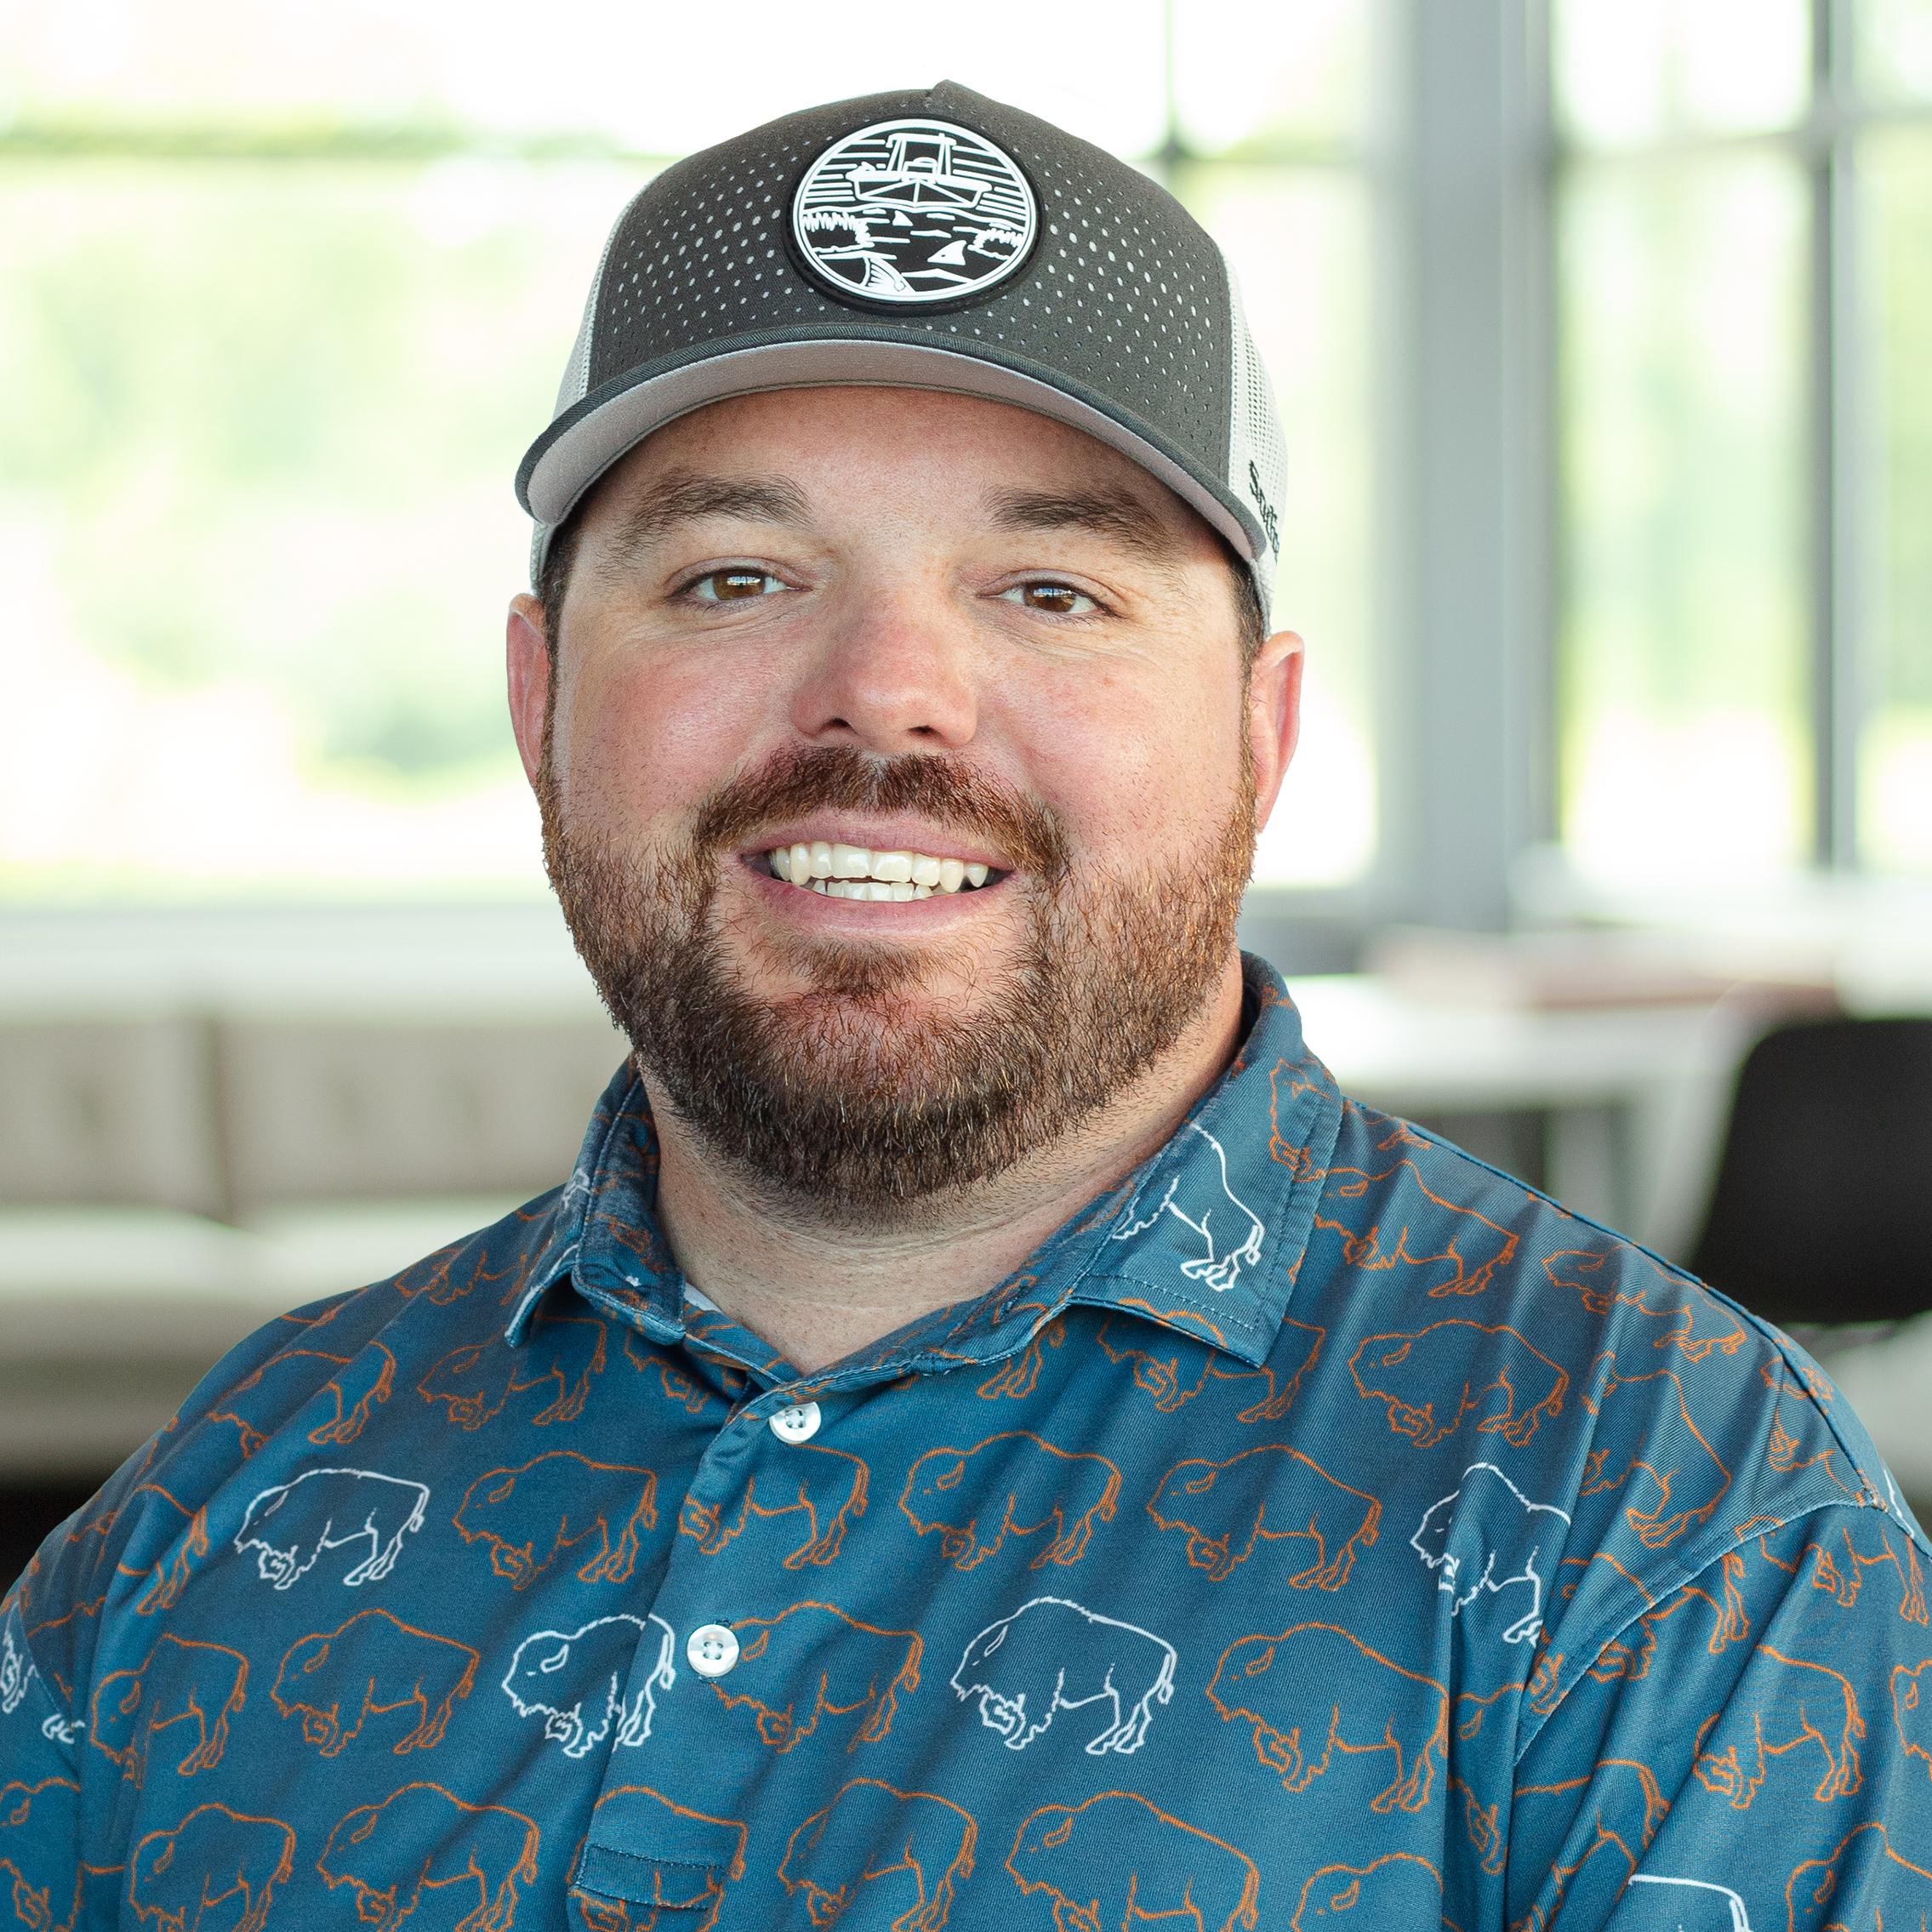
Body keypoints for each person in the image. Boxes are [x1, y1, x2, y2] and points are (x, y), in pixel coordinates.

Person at [5, 81, 1928, 1932]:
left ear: (1257, 735)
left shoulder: (1676, 1539)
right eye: (736, 574)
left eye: (1050, 591)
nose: (885, 694)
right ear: (537, 705)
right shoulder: (239, 1494)